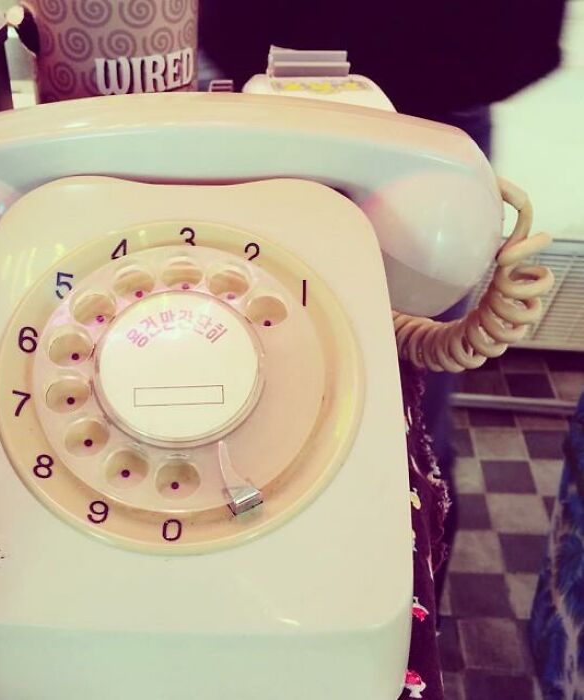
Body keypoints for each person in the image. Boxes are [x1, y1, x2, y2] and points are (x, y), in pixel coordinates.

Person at [199, 0, 566, 600]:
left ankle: (403, 616)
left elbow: (521, 43)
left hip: (426, 122)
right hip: (252, 95)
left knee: (406, 441)